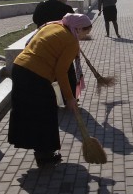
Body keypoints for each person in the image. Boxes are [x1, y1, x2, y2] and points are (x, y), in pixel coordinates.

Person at [9, 14, 93, 167]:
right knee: (46, 113)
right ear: (78, 28)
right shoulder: (71, 41)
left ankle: (40, 151)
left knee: (27, 110)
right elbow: (61, 72)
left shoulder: (53, 25)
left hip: (19, 68)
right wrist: (70, 98)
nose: (82, 37)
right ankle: (45, 156)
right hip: (35, 75)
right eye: (84, 33)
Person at [32, 0, 78, 100]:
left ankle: (50, 98)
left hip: (44, 44)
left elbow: (35, 20)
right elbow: (73, 27)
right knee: (67, 71)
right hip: (62, 45)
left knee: (47, 72)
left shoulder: (41, 6)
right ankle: (70, 97)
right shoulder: (66, 9)